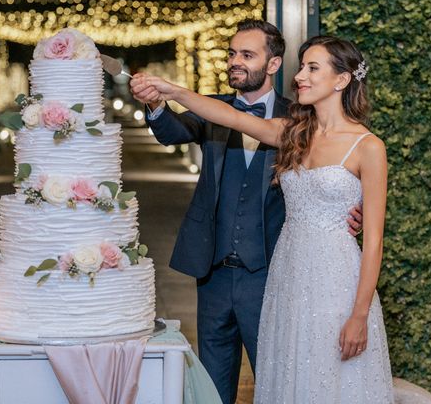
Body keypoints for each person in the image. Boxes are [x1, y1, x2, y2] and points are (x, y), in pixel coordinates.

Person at [131, 35, 393, 403]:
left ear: (342, 79)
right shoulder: (293, 134)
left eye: (312, 68)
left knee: (330, 377)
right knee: (288, 374)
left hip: (334, 279)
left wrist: (359, 315)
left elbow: (375, 240)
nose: (299, 75)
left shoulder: (369, 147)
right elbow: (230, 116)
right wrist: (170, 91)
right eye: (301, 66)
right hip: (287, 277)